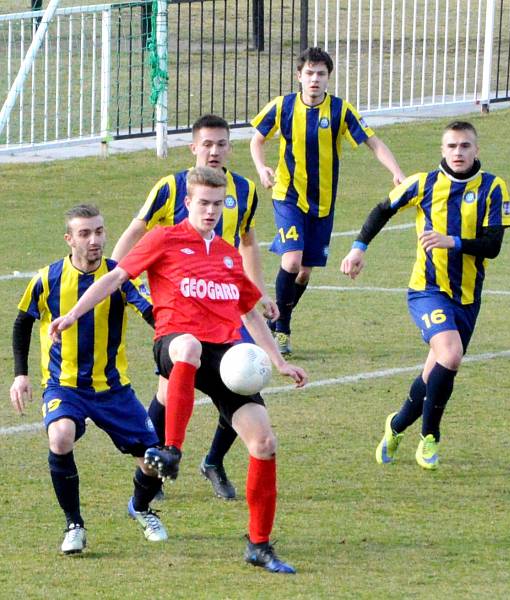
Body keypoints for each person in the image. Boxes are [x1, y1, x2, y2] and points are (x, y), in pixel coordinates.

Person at [50, 167, 308, 573]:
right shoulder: (164, 239)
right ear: (187, 203)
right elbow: (115, 277)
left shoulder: (226, 252)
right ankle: (171, 449)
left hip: (225, 357)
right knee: (188, 346)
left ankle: (259, 545)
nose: (210, 211)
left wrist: (278, 360)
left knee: (264, 442)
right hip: (175, 344)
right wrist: (71, 314)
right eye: (202, 203)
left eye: (217, 204)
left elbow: (250, 312)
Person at [113, 114, 274, 500]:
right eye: (207, 144)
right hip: (181, 308)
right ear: (194, 148)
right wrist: (116, 276)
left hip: (226, 303)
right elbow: (138, 231)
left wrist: (258, 290)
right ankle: (151, 465)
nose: (214, 151)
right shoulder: (171, 188)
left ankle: (213, 461)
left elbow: (247, 242)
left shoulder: (246, 191)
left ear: (230, 148)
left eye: (221, 144)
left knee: (241, 378)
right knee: (169, 394)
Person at [340, 121, 510, 469]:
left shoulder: (493, 188)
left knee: (435, 370)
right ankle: (430, 437)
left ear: (477, 150)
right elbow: (382, 210)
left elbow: (493, 246)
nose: (458, 152)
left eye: (465, 146)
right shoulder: (423, 184)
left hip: (467, 297)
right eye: (452, 146)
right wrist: (358, 248)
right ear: (442, 150)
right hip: (426, 290)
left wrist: (453, 242)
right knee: (450, 355)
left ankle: (397, 424)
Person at [10, 204, 167, 555]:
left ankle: (140, 508)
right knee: (61, 437)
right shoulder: (47, 278)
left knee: (153, 460)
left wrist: (175, 341)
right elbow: (22, 322)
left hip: (113, 388)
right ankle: (74, 525)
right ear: (69, 239)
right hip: (64, 386)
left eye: (99, 231)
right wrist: (20, 375)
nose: (94, 240)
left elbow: (149, 312)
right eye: (84, 233)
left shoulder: (119, 276)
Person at [250, 46, 405, 357]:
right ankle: (281, 330)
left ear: (328, 78)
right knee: (291, 261)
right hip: (288, 196)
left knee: (305, 273)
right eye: (309, 73)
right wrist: (262, 167)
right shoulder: (283, 107)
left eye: (321, 74)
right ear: (299, 76)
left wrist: (398, 173)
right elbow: (257, 138)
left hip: (322, 204)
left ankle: (280, 321)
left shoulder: (339, 110)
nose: (315, 79)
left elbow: (372, 141)